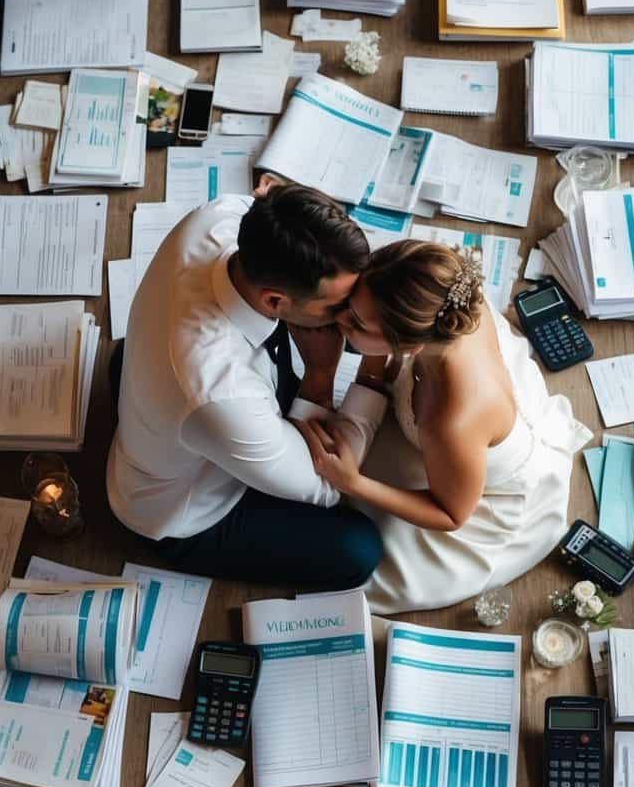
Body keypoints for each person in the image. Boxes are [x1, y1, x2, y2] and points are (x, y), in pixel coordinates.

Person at [106, 180, 386, 587]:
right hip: (185, 512)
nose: (347, 316)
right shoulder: (220, 392)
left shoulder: (221, 216)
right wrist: (326, 374)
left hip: (172, 391)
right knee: (358, 551)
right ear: (274, 301)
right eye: (338, 307)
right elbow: (327, 484)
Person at [298, 240, 591, 614]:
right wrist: (371, 367)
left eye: (355, 322)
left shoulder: (451, 418)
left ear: (408, 344)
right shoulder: (441, 300)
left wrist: (353, 483)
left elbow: (452, 516)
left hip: (474, 490)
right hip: (458, 427)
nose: (339, 320)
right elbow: (380, 353)